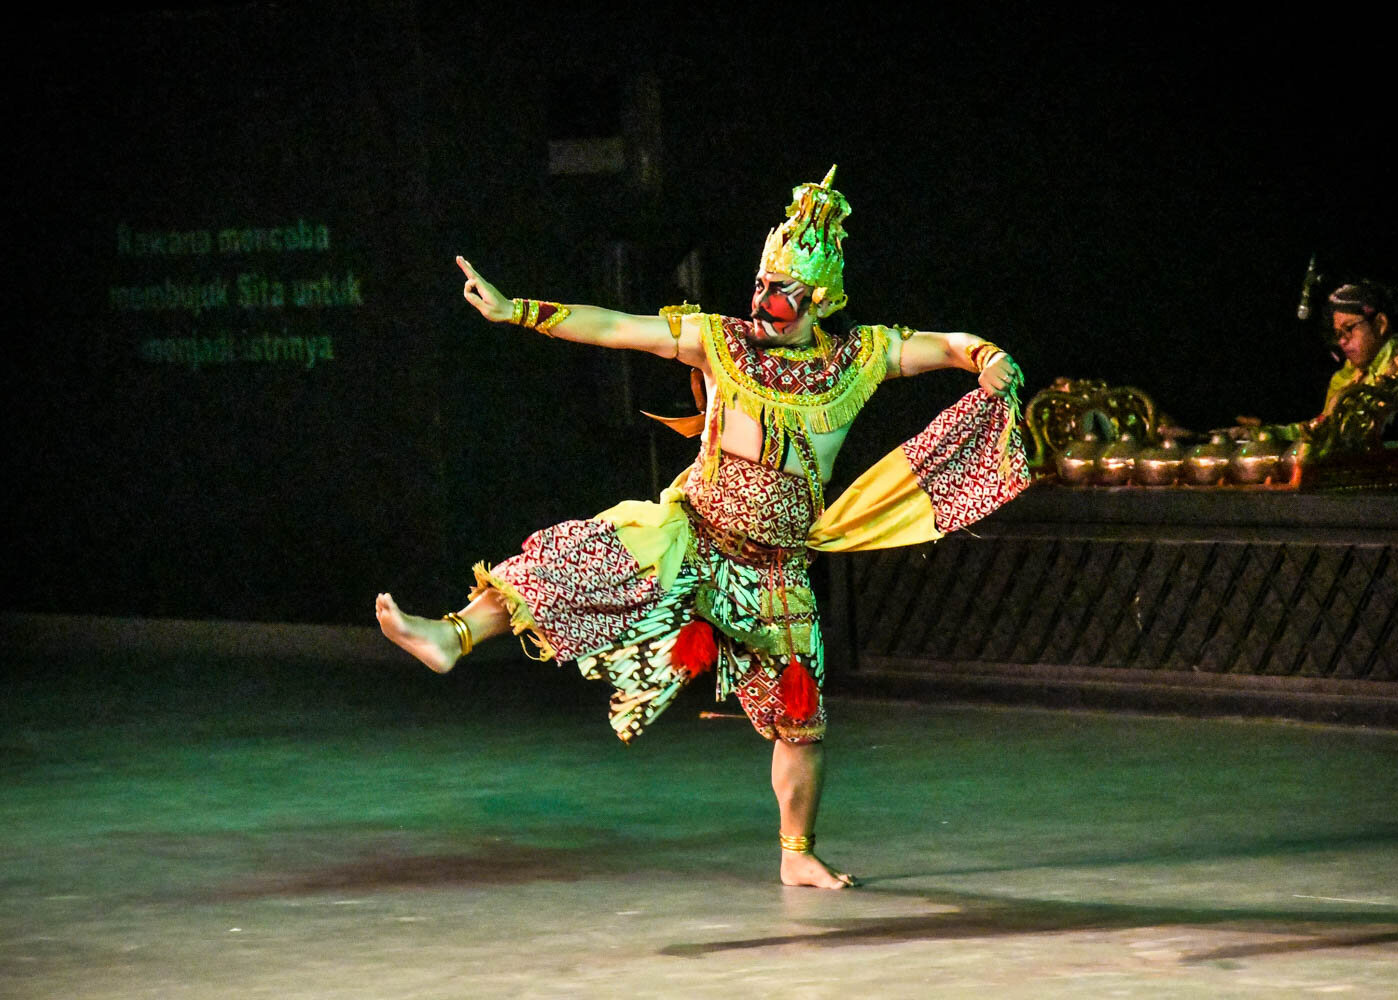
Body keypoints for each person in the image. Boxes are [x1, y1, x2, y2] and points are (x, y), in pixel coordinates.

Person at [375, 167, 1030, 889]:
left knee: (801, 721)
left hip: (775, 571)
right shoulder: (723, 342)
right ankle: (452, 634)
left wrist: (986, 357)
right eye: (761, 287)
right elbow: (617, 328)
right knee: (581, 554)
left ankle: (796, 853)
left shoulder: (858, 359)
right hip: (693, 533)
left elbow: (946, 345)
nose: (763, 303)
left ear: (819, 301)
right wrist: (516, 311)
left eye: (781, 293)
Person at [1246, 280, 1398, 440]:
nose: (1342, 341)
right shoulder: (1343, 378)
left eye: (1349, 329)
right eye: (1338, 334)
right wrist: (1266, 433)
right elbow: (1322, 430)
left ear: (1380, 324)